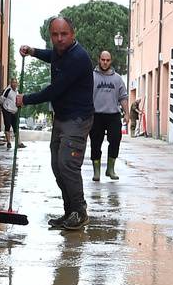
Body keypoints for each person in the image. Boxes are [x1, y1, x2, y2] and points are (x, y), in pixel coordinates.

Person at [13, 15, 95, 229]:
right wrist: (32, 51)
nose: (59, 38)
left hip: (77, 119)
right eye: (55, 34)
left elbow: (55, 90)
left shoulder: (78, 58)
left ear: (73, 34)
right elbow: (51, 56)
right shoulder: (60, 52)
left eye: (64, 34)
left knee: (68, 165)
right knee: (57, 166)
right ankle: (70, 212)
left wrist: (26, 99)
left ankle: (80, 211)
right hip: (61, 117)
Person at [89, 49, 127, 180]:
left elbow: (123, 97)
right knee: (95, 143)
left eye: (108, 60)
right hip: (96, 115)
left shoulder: (117, 79)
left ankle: (110, 169)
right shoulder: (91, 77)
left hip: (113, 115)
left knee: (116, 140)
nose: (105, 62)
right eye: (103, 60)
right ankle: (96, 171)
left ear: (111, 61)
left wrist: (127, 114)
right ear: (99, 60)